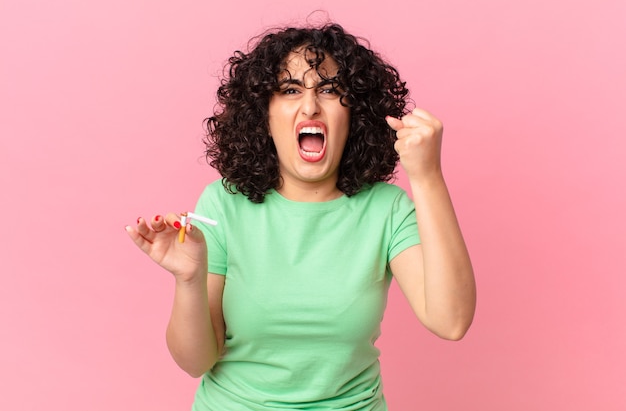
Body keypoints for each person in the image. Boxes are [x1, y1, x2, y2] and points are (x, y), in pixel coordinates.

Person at [126, 22, 476, 411]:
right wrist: (189, 279)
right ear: (265, 115)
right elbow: (195, 363)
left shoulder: (386, 209)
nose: (310, 106)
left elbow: (451, 320)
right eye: (291, 90)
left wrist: (426, 176)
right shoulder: (223, 204)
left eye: (329, 90)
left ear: (354, 114)